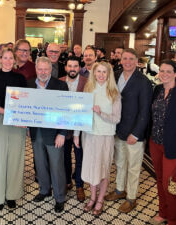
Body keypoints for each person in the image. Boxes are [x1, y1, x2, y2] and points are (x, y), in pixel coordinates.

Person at [105, 48, 153, 213]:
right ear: (120, 60)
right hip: (117, 129)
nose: (127, 62)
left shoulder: (144, 82)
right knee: (119, 163)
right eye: (124, 58)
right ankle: (119, 190)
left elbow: (145, 111)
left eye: (131, 59)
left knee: (133, 167)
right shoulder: (115, 75)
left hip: (134, 133)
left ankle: (131, 198)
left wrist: (137, 133)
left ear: (137, 61)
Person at [74, 61, 121, 216]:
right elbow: (79, 115)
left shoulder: (114, 92)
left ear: (109, 74)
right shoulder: (88, 89)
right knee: (91, 167)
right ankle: (92, 197)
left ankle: (100, 199)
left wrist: (101, 113)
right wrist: (76, 134)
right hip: (89, 134)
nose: (101, 75)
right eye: (98, 71)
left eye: (104, 72)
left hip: (105, 136)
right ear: (93, 73)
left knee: (103, 168)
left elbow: (116, 118)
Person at [148, 60, 176, 225]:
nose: (164, 74)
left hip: (174, 146)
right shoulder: (158, 89)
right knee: (159, 180)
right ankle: (163, 212)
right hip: (155, 142)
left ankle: (175, 219)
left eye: (168, 71)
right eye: (162, 71)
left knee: (170, 184)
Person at [0, 48, 27, 211]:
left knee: (15, 159)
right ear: (0, 60)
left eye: (11, 58)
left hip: (17, 121)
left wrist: (21, 117)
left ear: (14, 60)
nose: (8, 61)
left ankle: (12, 195)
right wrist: (8, 113)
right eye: (5, 58)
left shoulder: (20, 78)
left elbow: (26, 101)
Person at [28, 56, 68, 213]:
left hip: (54, 134)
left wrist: (63, 133)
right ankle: (44, 190)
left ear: (51, 70)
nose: (43, 72)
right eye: (40, 69)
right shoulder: (30, 84)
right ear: (36, 69)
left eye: (46, 69)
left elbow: (66, 110)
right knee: (40, 163)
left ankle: (59, 197)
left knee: (57, 165)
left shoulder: (60, 85)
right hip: (36, 131)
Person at [59, 56, 87, 202]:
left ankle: (79, 185)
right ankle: (67, 182)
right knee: (65, 157)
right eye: (70, 66)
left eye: (75, 66)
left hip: (80, 129)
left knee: (79, 157)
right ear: (66, 68)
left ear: (79, 68)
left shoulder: (86, 82)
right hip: (63, 127)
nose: (72, 69)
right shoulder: (60, 81)